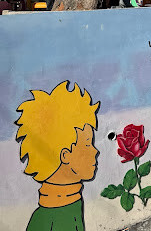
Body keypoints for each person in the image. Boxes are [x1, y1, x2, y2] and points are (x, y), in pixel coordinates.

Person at [16, 81, 99, 231]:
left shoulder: (70, 204)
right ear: (65, 155)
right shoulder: (49, 217)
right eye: (87, 144)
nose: (95, 151)